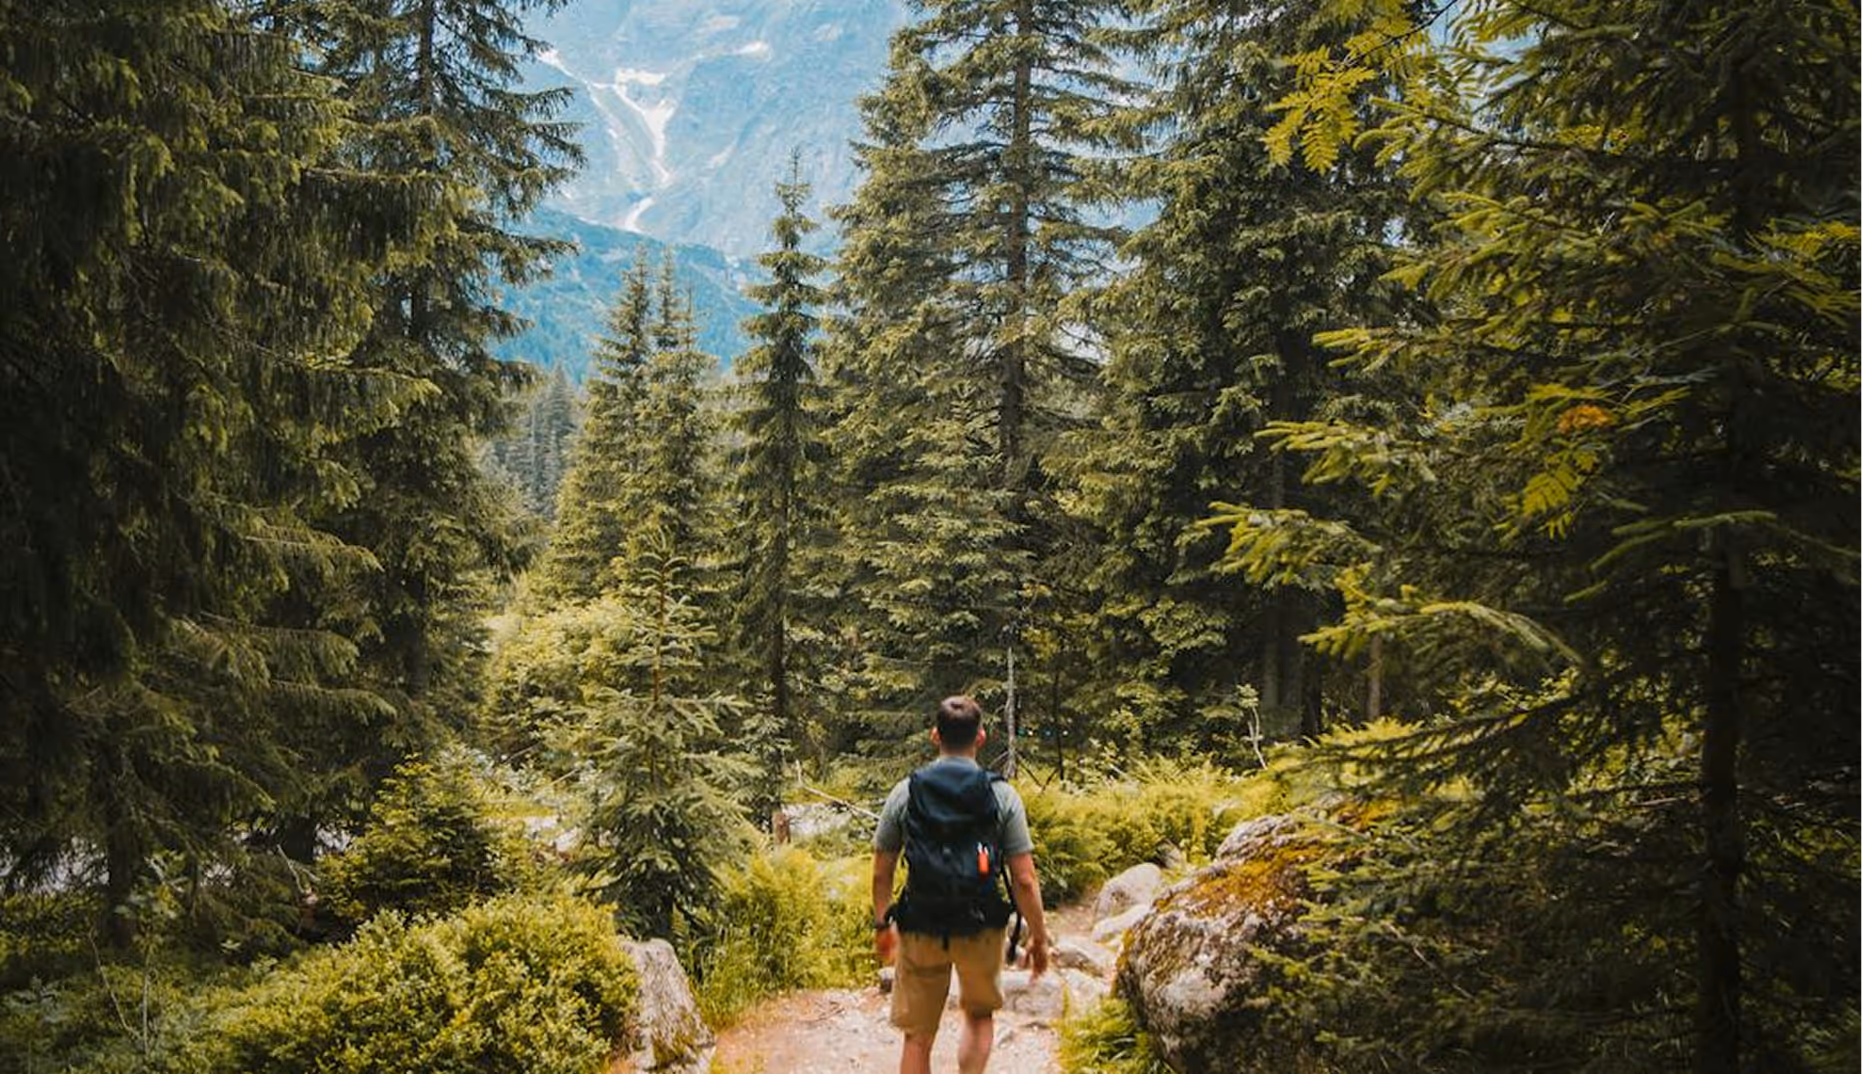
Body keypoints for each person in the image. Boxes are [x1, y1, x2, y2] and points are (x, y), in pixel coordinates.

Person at [872, 695, 1050, 1074]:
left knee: (917, 1036)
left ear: (935, 735)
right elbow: (1024, 878)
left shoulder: (906, 792)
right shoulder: (1002, 795)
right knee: (978, 1015)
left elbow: (881, 870)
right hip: (980, 925)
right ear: (981, 737)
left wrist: (882, 923)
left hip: (921, 923)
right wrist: (1039, 937)